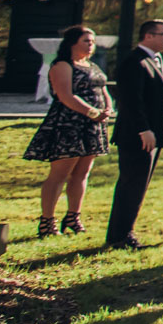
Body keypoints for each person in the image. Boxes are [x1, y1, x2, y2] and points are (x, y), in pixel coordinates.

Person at [26, 25, 112, 237]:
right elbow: (65, 96)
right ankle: (47, 221)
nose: (91, 45)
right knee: (60, 174)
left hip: (92, 126)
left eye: (92, 41)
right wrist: (92, 112)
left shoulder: (91, 65)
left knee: (82, 173)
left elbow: (103, 89)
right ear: (72, 43)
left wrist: (108, 108)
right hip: (69, 124)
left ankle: (73, 216)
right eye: (86, 41)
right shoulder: (63, 65)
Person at [107, 18, 163, 249]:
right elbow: (130, 101)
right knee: (131, 185)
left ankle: (124, 231)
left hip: (154, 134)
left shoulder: (156, 60)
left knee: (139, 185)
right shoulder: (134, 62)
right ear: (148, 36)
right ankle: (120, 236)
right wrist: (143, 129)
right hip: (137, 135)